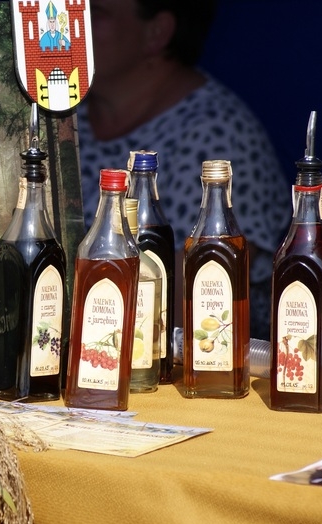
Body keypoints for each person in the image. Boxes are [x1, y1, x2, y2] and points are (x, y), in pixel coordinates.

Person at [77, 0, 289, 341]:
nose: (73, 25)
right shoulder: (65, 117)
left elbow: (184, 315)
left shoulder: (216, 134)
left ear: (157, 32)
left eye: (95, 12)